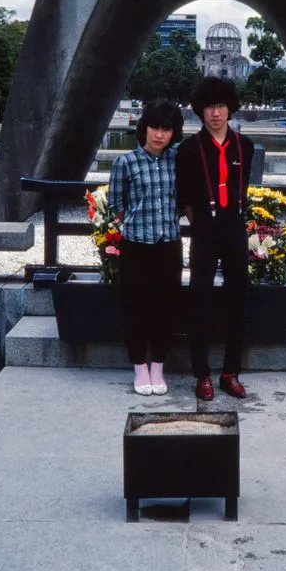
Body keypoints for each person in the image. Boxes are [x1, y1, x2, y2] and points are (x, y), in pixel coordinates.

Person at [176, 76, 254, 400]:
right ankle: (202, 374)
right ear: (201, 110)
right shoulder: (188, 148)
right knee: (200, 299)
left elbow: (243, 189)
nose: (216, 113)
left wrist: (234, 219)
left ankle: (230, 372)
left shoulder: (244, 146)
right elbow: (183, 196)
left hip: (234, 227)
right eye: (210, 106)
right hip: (205, 230)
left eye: (221, 106)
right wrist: (200, 223)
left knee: (238, 299)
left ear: (230, 108)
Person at [108, 99, 184, 396]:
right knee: (136, 307)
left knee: (165, 307)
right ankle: (139, 367)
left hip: (169, 244)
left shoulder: (177, 160)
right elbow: (117, 206)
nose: (159, 134)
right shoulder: (125, 162)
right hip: (137, 245)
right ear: (144, 128)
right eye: (155, 127)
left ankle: (158, 367)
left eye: (166, 129)